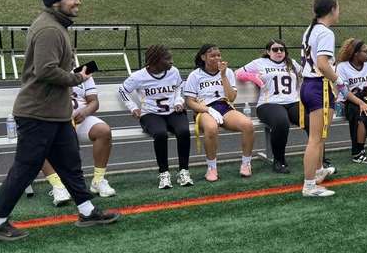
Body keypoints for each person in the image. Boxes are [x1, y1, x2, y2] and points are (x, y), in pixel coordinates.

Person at [0, 0, 120, 242]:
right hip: (37, 114)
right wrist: (78, 78)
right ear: (56, 2)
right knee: (25, 168)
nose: (78, 1)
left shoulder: (56, 26)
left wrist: (72, 77)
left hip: (55, 114)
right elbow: (45, 71)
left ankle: (87, 212)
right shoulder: (49, 30)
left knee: (69, 163)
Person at [120, 44, 193, 189]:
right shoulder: (138, 76)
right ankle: (164, 173)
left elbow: (179, 86)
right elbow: (122, 90)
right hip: (151, 114)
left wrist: (179, 101)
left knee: (184, 131)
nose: (171, 61)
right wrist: (133, 108)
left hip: (173, 111)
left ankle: (184, 171)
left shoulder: (173, 71)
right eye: (167, 59)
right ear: (155, 61)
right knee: (160, 134)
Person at [40, 73, 116, 205]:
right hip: (53, 121)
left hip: (80, 119)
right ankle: (58, 185)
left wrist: (85, 112)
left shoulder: (83, 73)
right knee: (38, 139)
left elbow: (94, 102)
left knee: (103, 131)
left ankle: (98, 180)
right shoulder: (46, 71)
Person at [183, 44, 256, 182]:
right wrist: (207, 109)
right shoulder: (195, 75)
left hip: (223, 106)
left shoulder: (227, 72)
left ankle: (246, 163)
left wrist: (223, 75)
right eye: (212, 56)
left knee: (248, 125)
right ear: (203, 57)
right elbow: (190, 102)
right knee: (211, 128)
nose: (217, 58)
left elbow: (231, 98)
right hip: (204, 108)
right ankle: (212, 168)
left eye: (218, 55)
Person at [237, 39, 303, 174]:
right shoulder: (259, 63)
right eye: (275, 49)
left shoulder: (292, 63)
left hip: (292, 102)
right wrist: (253, 77)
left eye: (281, 49)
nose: (279, 52)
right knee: (281, 122)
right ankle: (279, 160)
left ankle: (320, 158)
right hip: (269, 104)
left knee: (311, 118)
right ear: (268, 51)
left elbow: (306, 74)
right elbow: (238, 73)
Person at [300, 0, 340, 197]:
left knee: (318, 136)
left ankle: (318, 171)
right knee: (315, 139)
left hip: (308, 85)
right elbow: (323, 64)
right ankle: (309, 185)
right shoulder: (325, 32)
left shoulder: (310, 29)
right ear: (332, 9)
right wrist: (338, 81)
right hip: (319, 86)